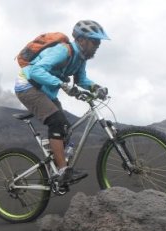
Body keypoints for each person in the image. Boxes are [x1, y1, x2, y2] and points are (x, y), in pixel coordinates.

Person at [15, 20, 110, 184]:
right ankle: (62, 170)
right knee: (57, 122)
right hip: (27, 86)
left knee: (65, 127)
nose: (98, 45)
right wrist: (61, 84)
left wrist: (95, 88)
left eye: (99, 42)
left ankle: (54, 159)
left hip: (44, 91)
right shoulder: (62, 51)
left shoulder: (81, 58)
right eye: (95, 40)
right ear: (81, 40)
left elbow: (80, 79)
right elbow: (36, 70)